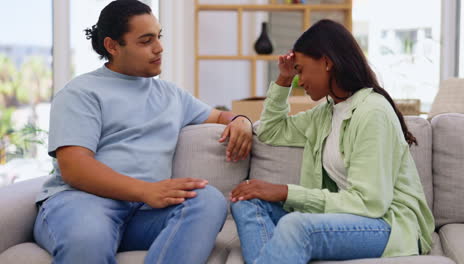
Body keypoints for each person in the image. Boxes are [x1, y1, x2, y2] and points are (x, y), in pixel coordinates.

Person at [33, 1, 253, 264]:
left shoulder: (172, 95)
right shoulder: (81, 92)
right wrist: (146, 190)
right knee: (87, 240)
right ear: (112, 46)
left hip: (145, 214)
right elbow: (75, 167)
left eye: (159, 37)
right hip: (83, 203)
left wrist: (241, 120)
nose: (159, 48)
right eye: (146, 41)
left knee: (208, 201)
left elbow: (219, 116)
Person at [230, 19, 434, 264]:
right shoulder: (326, 112)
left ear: (326, 62)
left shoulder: (372, 112)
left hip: (387, 223)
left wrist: (285, 192)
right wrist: (283, 80)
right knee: (246, 202)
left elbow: (370, 203)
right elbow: (271, 131)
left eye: (301, 70)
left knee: (297, 226)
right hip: (350, 215)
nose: (299, 80)